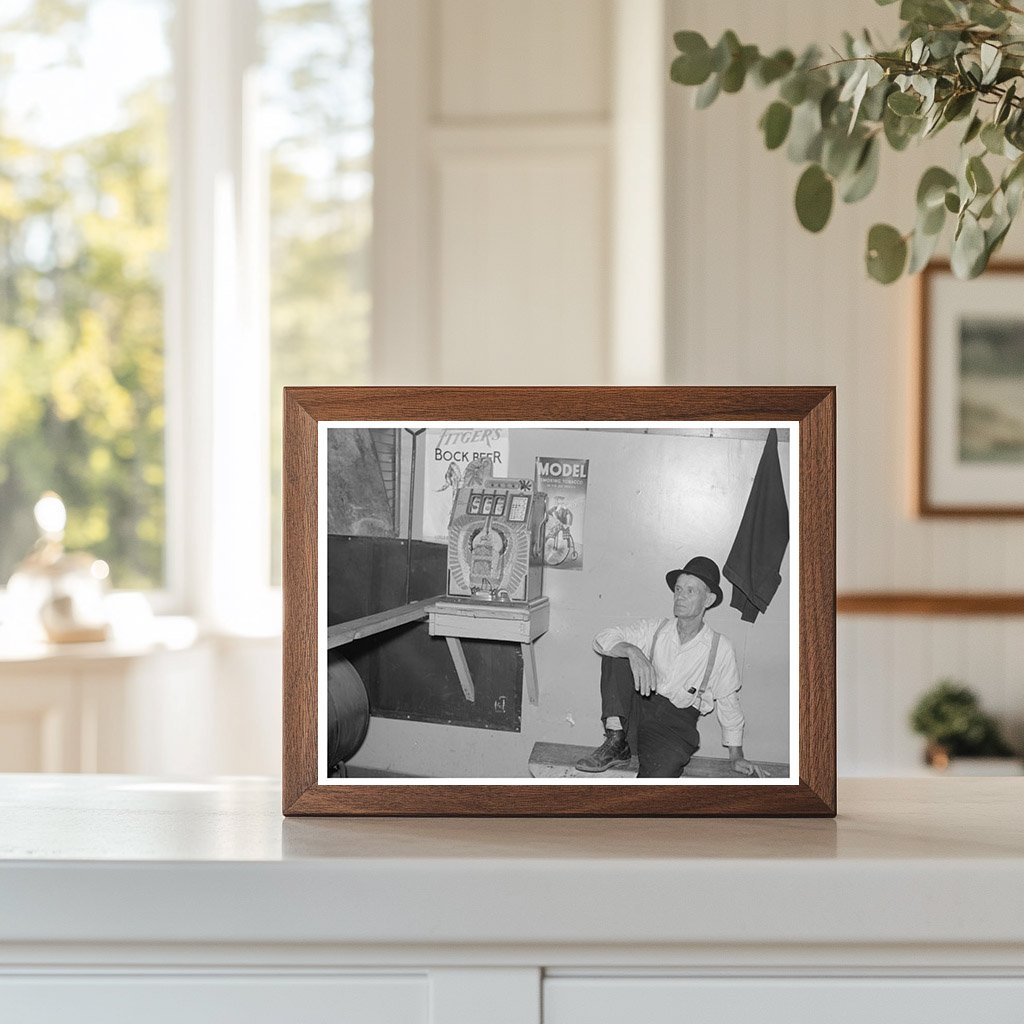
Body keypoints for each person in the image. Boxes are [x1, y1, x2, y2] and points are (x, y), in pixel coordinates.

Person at [576, 556, 759, 778]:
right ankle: (616, 742)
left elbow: (729, 704)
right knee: (618, 651)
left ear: (708, 600)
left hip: (674, 727)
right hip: (634, 715)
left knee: (655, 787)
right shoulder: (655, 628)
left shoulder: (720, 648)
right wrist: (632, 651)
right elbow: (602, 638)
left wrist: (736, 756)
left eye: (690, 591)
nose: (680, 596)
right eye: (678, 589)